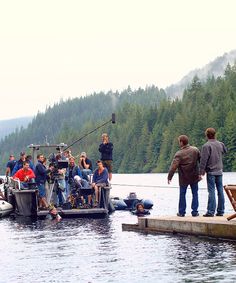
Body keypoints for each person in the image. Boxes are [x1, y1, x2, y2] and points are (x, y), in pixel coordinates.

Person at [167, 135, 201, 217]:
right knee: (195, 193)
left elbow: (173, 167)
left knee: (182, 194)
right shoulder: (195, 150)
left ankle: (182, 212)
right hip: (194, 176)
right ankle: (195, 212)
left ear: (181, 142)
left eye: (179, 142)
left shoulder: (179, 154)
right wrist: (201, 173)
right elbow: (201, 160)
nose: (179, 143)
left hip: (183, 178)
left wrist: (169, 177)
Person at [200, 128, 227, 217]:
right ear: (215, 134)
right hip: (219, 171)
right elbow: (225, 152)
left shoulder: (206, 146)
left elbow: (203, 160)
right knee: (220, 191)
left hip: (211, 172)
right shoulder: (221, 144)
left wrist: (201, 171)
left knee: (211, 191)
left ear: (207, 135)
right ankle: (221, 211)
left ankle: (210, 211)